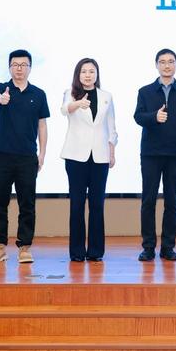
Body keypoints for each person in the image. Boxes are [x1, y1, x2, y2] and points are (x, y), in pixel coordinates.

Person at [0, 49, 49, 264]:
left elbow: (42, 125)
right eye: (15, 65)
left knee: (27, 203)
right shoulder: (0, 88)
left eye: (23, 65)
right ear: (9, 67)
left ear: (30, 67)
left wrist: (42, 154)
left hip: (27, 157)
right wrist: (1, 99)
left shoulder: (38, 94)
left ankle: (24, 247)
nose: (19, 69)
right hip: (2, 156)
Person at [133, 49, 176, 261]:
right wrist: (154, 117)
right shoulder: (145, 91)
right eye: (162, 62)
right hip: (151, 153)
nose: (167, 65)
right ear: (156, 65)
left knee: (172, 201)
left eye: (171, 61)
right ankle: (148, 247)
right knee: (148, 201)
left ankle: (168, 247)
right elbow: (138, 116)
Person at [60, 58, 118, 262]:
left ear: (97, 74)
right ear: (78, 74)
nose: (87, 75)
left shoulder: (106, 96)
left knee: (97, 205)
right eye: (84, 71)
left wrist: (112, 152)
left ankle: (95, 251)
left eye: (91, 71)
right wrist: (78, 103)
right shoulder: (70, 93)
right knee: (77, 205)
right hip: (76, 157)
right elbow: (64, 109)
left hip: (100, 157)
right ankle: (76, 252)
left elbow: (111, 127)